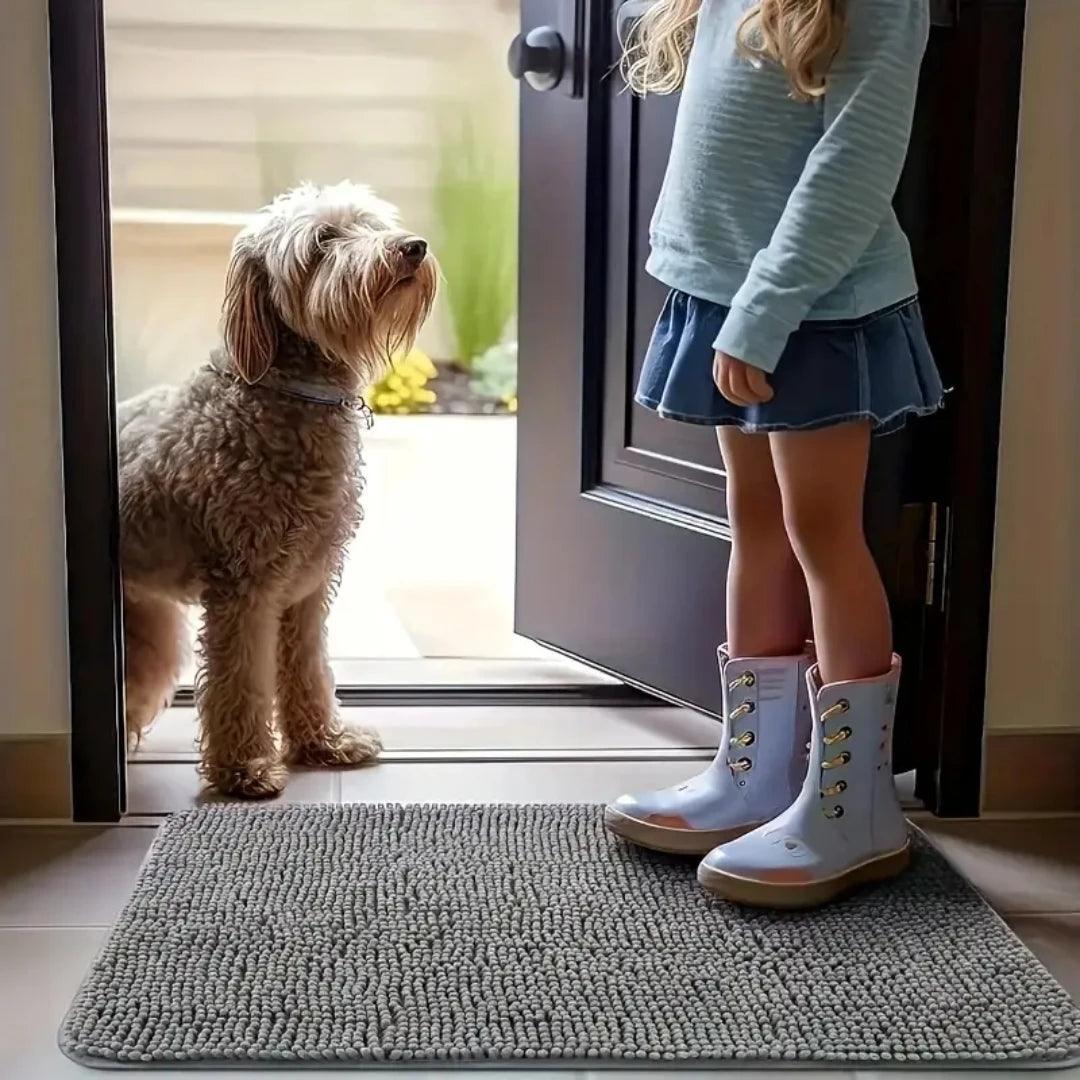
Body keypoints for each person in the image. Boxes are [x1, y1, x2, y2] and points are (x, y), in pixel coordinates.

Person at [603, 0, 943, 908]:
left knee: (822, 533)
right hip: (727, 296)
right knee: (753, 524)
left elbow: (855, 165)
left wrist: (764, 313)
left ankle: (858, 811)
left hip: (812, 307)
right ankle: (754, 777)